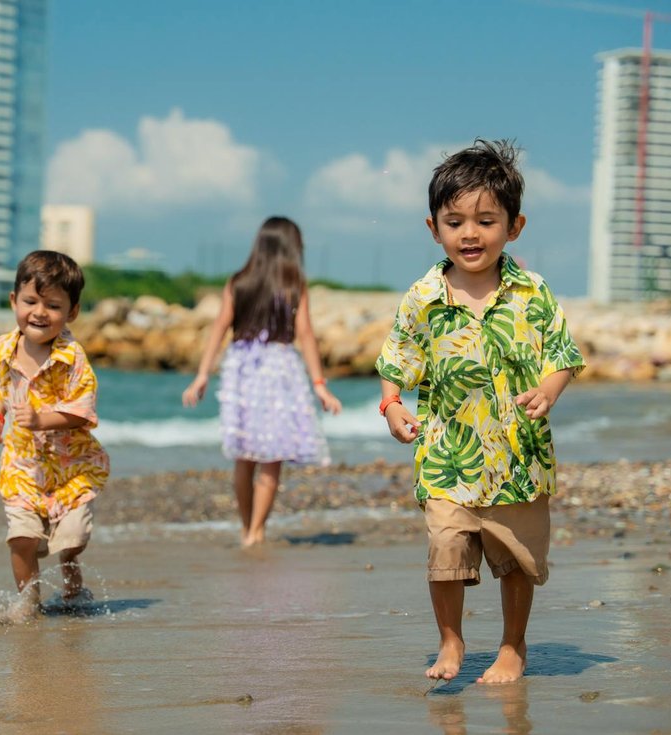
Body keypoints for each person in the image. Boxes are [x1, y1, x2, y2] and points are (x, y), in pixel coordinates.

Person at [375, 140, 585, 684]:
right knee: (445, 548)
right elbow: (397, 359)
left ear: (514, 226)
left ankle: (513, 647)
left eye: (486, 221)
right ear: (433, 228)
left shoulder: (532, 292)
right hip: (447, 453)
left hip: (519, 458)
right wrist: (393, 404)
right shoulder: (423, 297)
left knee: (516, 560)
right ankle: (450, 641)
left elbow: (564, 356)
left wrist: (550, 389)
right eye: (455, 221)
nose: (470, 234)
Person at [182, 216, 342, 548]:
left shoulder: (238, 282)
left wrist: (202, 375)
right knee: (272, 457)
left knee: (245, 456)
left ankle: (246, 528)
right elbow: (306, 335)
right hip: (280, 372)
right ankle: (256, 531)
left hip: (243, 371)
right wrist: (319, 383)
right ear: (290, 247)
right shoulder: (294, 283)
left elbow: (219, 329)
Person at [0, 250, 110, 615]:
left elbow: (82, 412)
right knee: (20, 538)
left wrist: (42, 420)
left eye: (52, 305)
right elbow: (2, 385)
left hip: (70, 466)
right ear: (13, 301)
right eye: (30, 301)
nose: (39, 312)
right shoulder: (5, 346)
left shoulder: (73, 359)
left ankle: (70, 570)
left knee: (74, 538)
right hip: (22, 465)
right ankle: (27, 604)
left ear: (72, 312)